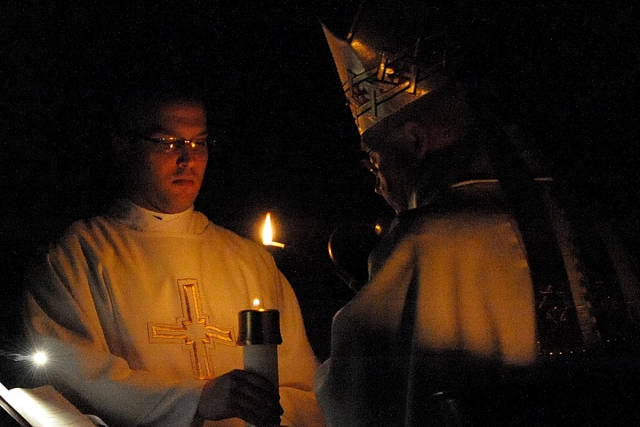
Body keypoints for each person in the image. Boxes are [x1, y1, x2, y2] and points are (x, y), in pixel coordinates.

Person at [314, 2, 640, 426]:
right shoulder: (591, 210)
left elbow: (357, 393)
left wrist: (324, 374)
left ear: (415, 140)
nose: (377, 184)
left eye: (375, 162)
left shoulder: (425, 245)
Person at [21, 90, 326, 427]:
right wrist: (197, 399)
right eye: (167, 141)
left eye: (199, 143)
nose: (187, 158)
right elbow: (77, 375)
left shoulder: (249, 259)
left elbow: (304, 389)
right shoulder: (76, 256)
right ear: (123, 147)